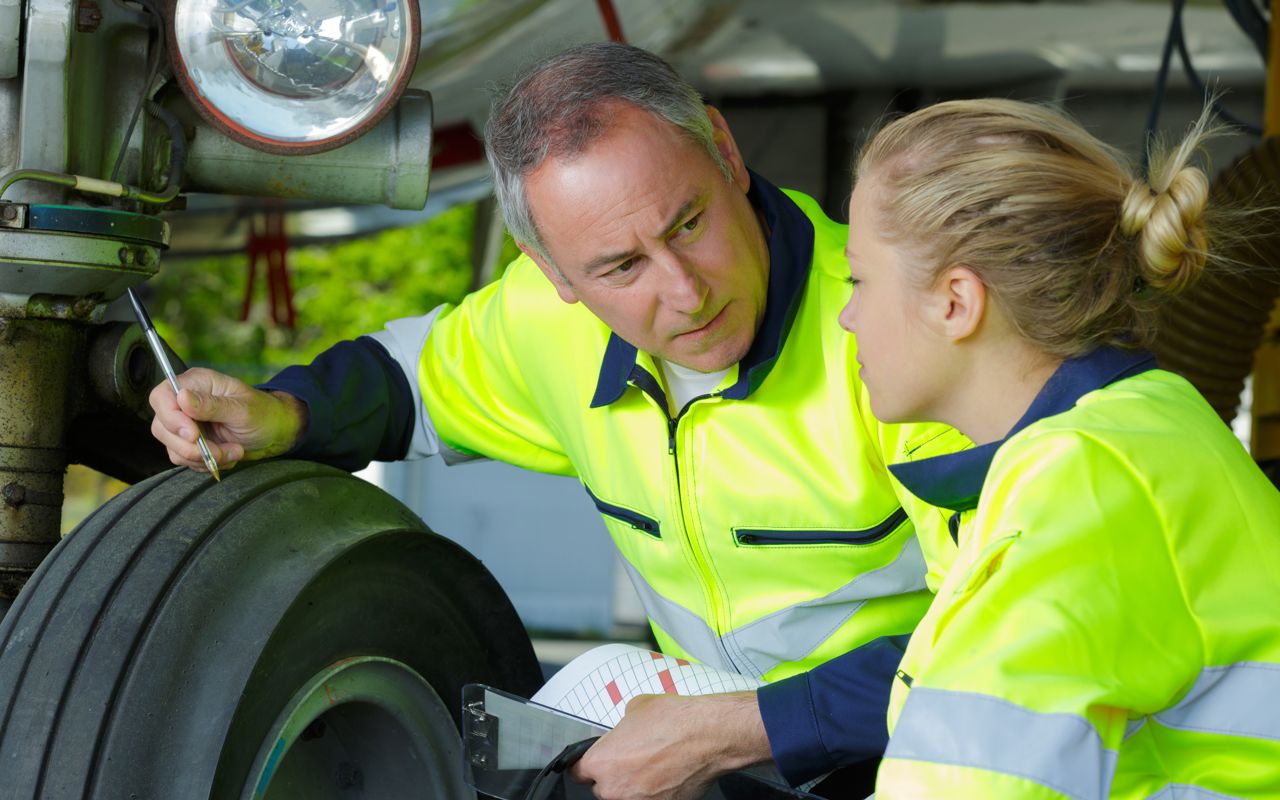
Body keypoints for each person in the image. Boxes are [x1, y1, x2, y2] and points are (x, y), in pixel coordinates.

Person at [149, 43, 965, 798]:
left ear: (726, 151)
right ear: (553, 272)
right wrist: (284, 414)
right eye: (621, 266)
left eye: (689, 224)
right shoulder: (543, 321)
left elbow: (1010, 640)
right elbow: (403, 381)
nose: (687, 292)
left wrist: (730, 731)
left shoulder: (903, 342)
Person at [835, 97, 1280, 798]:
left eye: (859, 278)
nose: (846, 314)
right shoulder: (1135, 431)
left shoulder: (1083, 479)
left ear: (955, 301)